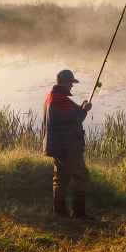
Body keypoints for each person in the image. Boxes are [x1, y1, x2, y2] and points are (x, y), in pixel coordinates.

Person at [43, 68, 95, 220]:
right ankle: (79, 213)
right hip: (68, 148)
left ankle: (60, 213)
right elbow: (75, 119)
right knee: (82, 177)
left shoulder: (52, 96)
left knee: (61, 178)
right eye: (71, 82)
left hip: (56, 147)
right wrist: (84, 110)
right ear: (65, 82)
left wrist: (79, 107)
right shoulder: (60, 99)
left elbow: (65, 116)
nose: (72, 86)